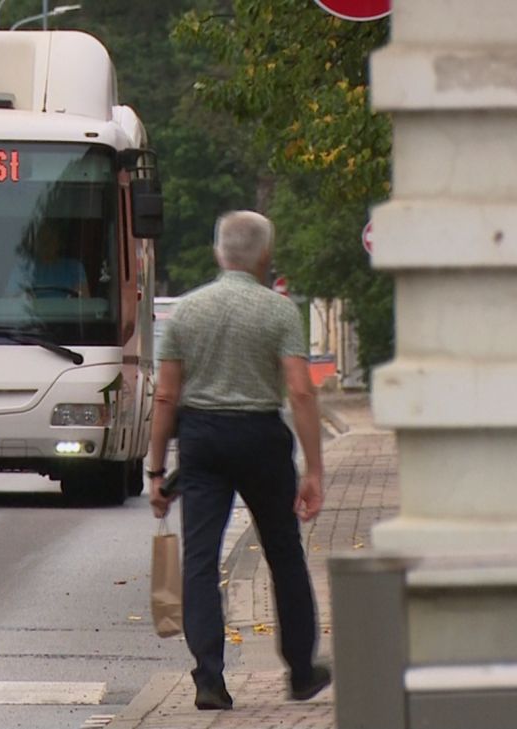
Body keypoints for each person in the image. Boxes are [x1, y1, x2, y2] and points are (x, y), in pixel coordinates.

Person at [147, 210, 329, 711]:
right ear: (265, 257)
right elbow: (299, 389)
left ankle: (209, 678)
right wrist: (313, 470)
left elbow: (165, 396)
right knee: (284, 554)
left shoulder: (186, 312)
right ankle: (301, 671)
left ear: (217, 253)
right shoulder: (279, 312)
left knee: (200, 559)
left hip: (202, 438)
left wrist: (157, 472)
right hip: (261, 438)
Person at [5, 224, 89, 298]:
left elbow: (83, 302)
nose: (46, 243)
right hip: (31, 316)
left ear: (59, 242)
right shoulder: (23, 268)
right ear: (35, 242)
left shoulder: (74, 268)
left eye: (50, 238)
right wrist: (23, 297)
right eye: (42, 238)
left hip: (66, 316)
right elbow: (11, 301)